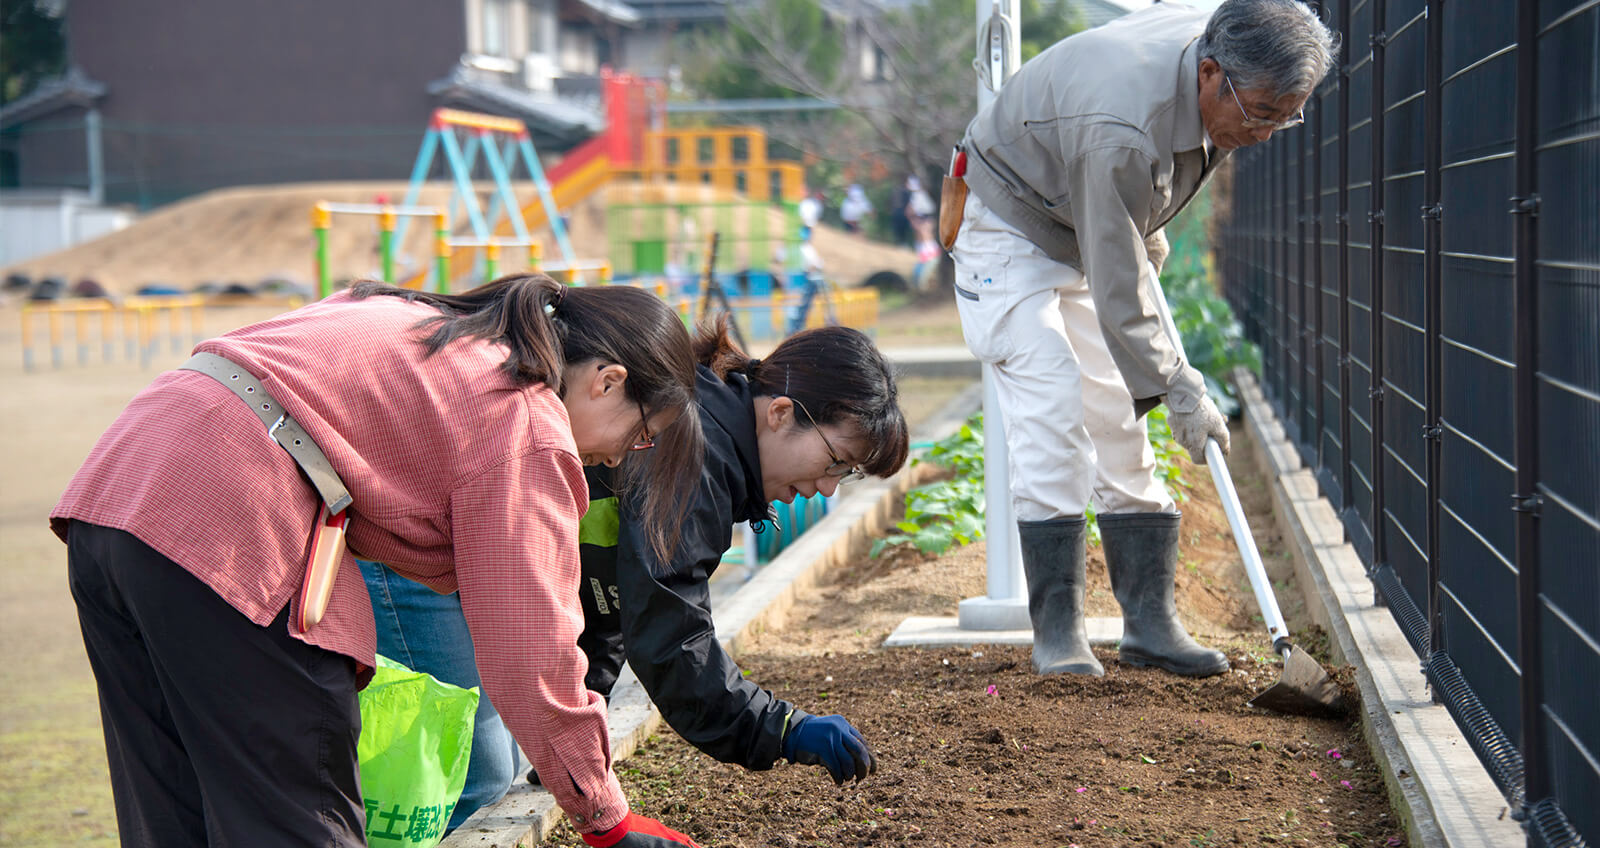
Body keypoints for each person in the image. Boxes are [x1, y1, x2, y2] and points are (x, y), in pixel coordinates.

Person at [54, 273, 707, 848]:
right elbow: (529, 656)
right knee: (297, 814)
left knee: (174, 804)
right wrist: (606, 817)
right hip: (231, 519)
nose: (623, 458)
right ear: (607, 381)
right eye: (640, 433)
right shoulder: (522, 414)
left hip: (117, 495)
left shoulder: (423, 321)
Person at [361, 318, 910, 825]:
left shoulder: (709, 433)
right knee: (474, 778)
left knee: (489, 761)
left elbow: (605, 590)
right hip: (419, 548)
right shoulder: (694, 453)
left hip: (469, 562)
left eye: (850, 474)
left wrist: (581, 731)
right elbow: (668, 635)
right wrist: (780, 729)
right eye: (836, 460)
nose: (829, 486)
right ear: (781, 412)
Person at [946, 0, 1335, 678]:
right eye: (1263, 114)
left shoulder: (1218, 49)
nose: (1270, 132)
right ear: (1210, 75)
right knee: (1053, 409)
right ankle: (1059, 629)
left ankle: (1149, 624)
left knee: (1119, 414)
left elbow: (1120, 242)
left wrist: (1158, 379)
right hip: (1010, 221)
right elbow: (1116, 274)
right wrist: (1179, 383)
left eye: (1287, 115)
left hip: (1085, 210)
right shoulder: (1122, 129)